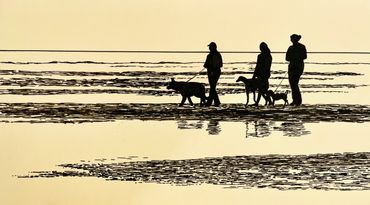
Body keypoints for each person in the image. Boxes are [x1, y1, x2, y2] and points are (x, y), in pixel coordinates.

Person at [286, 34, 307, 106]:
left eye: (292, 39)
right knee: (293, 84)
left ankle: (297, 100)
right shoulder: (291, 48)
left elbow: (304, 56)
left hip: (298, 67)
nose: (291, 40)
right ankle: (295, 100)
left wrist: (295, 57)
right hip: (292, 67)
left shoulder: (301, 47)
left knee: (294, 83)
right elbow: (287, 58)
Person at [204, 42, 223, 106]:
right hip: (216, 72)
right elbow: (220, 64)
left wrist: (211, 69)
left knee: (212, 87)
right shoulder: (218, 54)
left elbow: (206, 65)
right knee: (213, 87)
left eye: (210, 47)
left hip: (212, 72)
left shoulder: (210, 55)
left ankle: (210, 102)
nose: (209, 48)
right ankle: (216, 101)